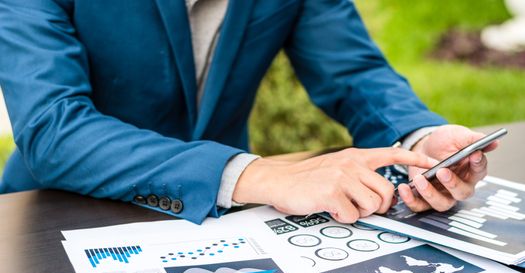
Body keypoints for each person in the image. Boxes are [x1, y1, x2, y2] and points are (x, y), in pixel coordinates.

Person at [0, 0, 496, 224]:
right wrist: (259, 175)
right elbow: (52, 129)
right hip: (54, 219)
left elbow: (353, 72)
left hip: (223, 220)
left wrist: (418, 139)